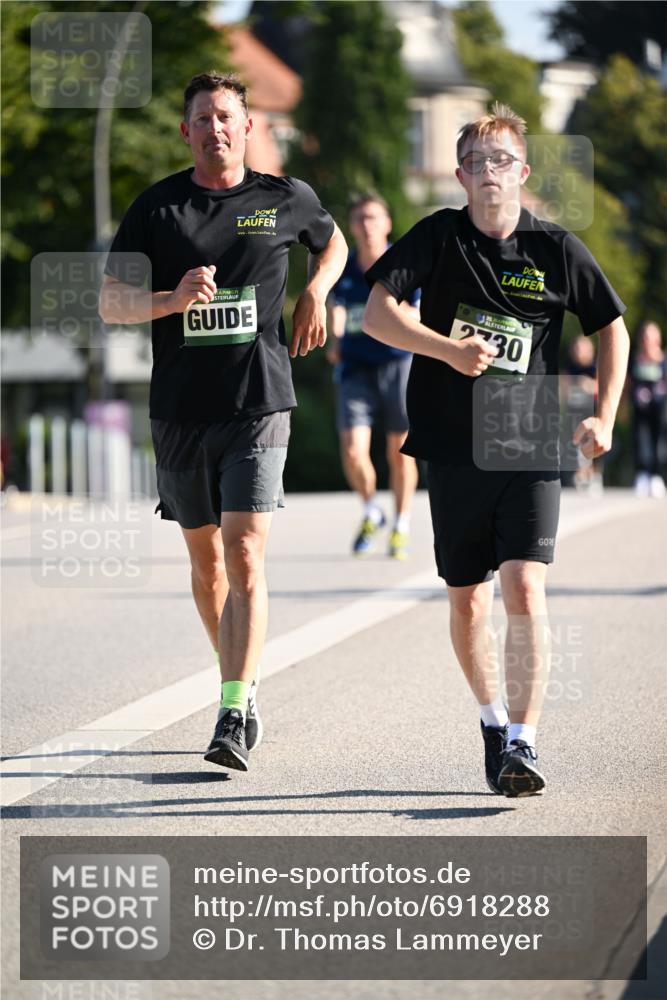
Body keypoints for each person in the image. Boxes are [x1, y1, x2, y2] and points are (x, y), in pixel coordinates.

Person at [364, 103, 630, 797]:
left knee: (522, 584)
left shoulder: (554, 249)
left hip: (525, 433)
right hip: (451, 441)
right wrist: (446, 350)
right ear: (459, 175)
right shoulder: (436, 237)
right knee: (466, 601)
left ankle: (523, 741)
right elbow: (376, 314)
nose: (489, 173)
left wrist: (603, 413)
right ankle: (489, 719)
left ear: (522, 172)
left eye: (501, 161)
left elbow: (612, 328)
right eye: (476, 162)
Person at [99, 72, 347, 772]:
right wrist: (171, 299)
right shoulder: (157, 208)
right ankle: (237, 667)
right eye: (202, 118)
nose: (215, 128)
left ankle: (233, 710)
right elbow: (112, 304)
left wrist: (315, 294)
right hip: (179, 410)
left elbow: (332, 246)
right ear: (187, 132)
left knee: (243, 552)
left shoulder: (283, 199)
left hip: (258, 401)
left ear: (248, 127)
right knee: (206, 563)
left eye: (226, 117)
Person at [327, 194, 420, 559]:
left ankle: (401, 524)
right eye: (360, 218)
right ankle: (371, 510)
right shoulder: (345, 268)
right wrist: (334, 339)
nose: (366, 225)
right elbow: (336, 307)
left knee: (400, 452)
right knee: (352, 451)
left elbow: (418, 315)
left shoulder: (403, 264)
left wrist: (387, 315)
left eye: (373, 217)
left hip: (398, 362)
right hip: (355, 367)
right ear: (351, 226)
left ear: (387, 223)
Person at [628, 321, 666, 498]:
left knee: (659, 442)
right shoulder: (634, 360)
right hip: (639, 411)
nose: (647, 340)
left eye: (650, 337)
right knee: (639, 440)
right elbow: (627, 383)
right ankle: (642, 475)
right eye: (644, 337)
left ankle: (656, 476)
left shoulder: (663, 361)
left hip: (660, 411)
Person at [563, 335, 602, 494]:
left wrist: (589, 385)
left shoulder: (595, 368)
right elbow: (563, 389)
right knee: (576, 445)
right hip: (574, 413)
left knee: (593, 444)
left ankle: (594, 476)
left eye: (582, 348)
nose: (579, 351)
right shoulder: (570, 367)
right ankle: (579, 475)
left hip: (592, 413)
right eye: (576, 348)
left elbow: (602, 388)